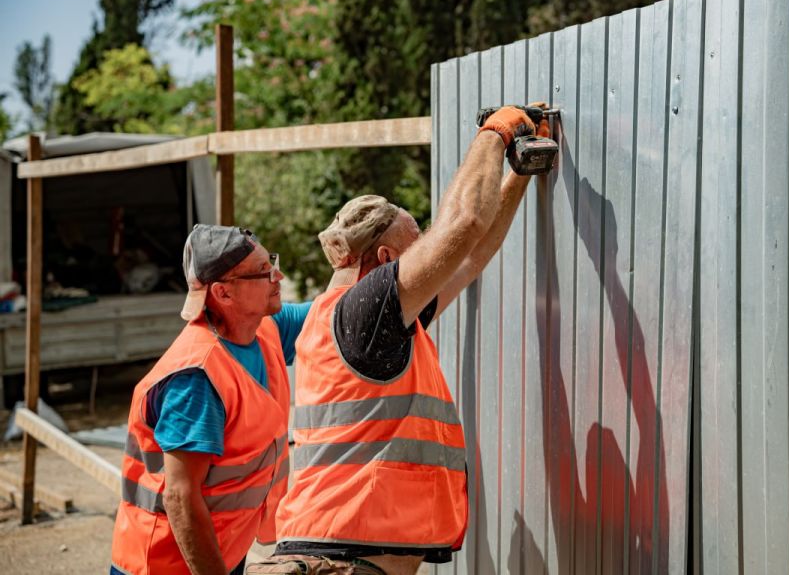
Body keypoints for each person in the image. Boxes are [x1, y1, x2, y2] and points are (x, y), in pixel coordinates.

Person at [254, 105, 554, 575]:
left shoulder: (361, 321)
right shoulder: (365, 309)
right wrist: (497, 130)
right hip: (340, 561)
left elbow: (467, 258)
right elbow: (463, 226)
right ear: (386, 258)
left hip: (338, 553)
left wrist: (518, 173)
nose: (429, 259)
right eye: (420, 249)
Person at [110, 224, 312, 575]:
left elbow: (332, 310)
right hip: (171, 564)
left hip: (222, 550)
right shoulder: (197, 379)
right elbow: (180, 498)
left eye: (272, 262)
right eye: (264, 271)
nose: (277, 276)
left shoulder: (265, 330)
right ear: (224, 292)